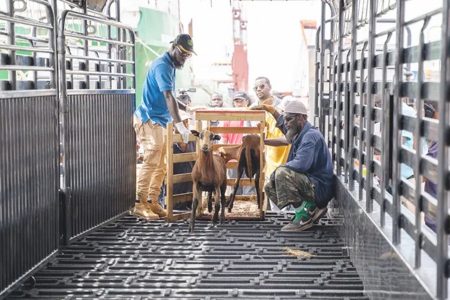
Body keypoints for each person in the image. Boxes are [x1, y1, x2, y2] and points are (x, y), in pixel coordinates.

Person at [133, 33, 195, 219]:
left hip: (161, 120)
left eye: (188, 55)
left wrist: (186, 109)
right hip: (149, 118)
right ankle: (139, 203)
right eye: (182, 53)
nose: (184, 57)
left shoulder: (171, 66)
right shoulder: (162, 65)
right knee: (152, 158)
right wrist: (180, 125)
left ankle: (152, 201)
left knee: (162, 164)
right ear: (173, 47)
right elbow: (168, 96)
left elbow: (171, 96)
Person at [252, 99, 334, 231]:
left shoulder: (310, 136)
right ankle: (309, 208)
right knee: (269, 187)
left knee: (282, 173)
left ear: (301, 118)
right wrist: (270, 110)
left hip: (319, 188)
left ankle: (304, 216)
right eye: (286, 119)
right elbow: (284, 130)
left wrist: (277, 172)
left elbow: (301, 164)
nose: (286, 124)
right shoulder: (298, 131)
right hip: (311, 183)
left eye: (289, 120)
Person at [251, 77, 291, 209]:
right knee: (272, 189)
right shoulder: (255, 109)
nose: (258, 89)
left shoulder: (282, 105)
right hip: (270, 155)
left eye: (262, 86)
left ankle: (288, 218)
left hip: (286, 153)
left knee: (285, 189)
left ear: (270, 86)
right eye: (256, 87)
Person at [222, 91, 254, 196]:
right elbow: (224, 138)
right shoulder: (228, 118)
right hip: (233, 155)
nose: (238, 103)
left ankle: (250, 206)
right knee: (234, 184)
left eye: (241, 101)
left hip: (249, 154)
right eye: (236, 101)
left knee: (249, 182)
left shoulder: (252, 116)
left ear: (247, 102)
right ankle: (235, 204)